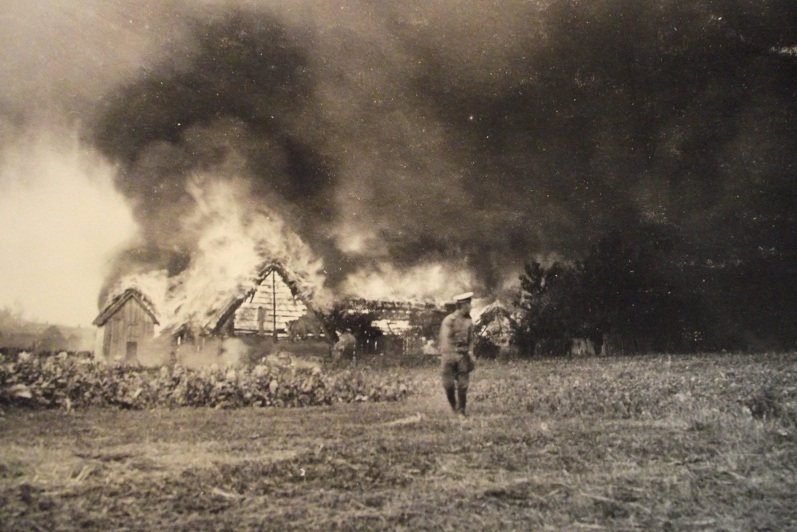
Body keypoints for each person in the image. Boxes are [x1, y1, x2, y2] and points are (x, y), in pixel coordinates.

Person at [439, 291, 476, 415]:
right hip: (449, 356)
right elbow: (445, 339)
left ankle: (462, 411)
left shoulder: (469, 321)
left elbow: (471, 339)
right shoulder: (449, 320)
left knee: (463, 386)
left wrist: (470, 353)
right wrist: (449, 357)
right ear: (462, 305)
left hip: (463, 356)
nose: (470, 307)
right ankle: (454, 407)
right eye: (468, 304)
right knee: (448, 386)